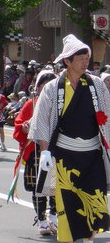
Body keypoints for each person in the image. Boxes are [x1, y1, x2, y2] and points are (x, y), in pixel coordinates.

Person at [28, 34, 110, 243]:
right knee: (68, 203)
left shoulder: (97, 85)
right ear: (67, 61)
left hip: (92, 154)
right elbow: (42, 121)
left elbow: (108, 115)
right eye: (80, 59)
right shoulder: (53, 88)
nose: (85, 62)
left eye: (87, 58)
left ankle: (89, 239)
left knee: (95, 199)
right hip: (64, 156)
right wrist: (45, 151)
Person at [14, 69, 59, 236]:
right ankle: (41, 219)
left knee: (55, 186)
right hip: (35, 152)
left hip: (56, 150)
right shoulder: (31, 104)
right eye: (44, 85)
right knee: (38, 187)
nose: (48, 88)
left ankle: (53, 214)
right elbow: (19, 123)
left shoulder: (61, 105)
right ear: (38, 87)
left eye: (51, 84)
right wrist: (24, 127)